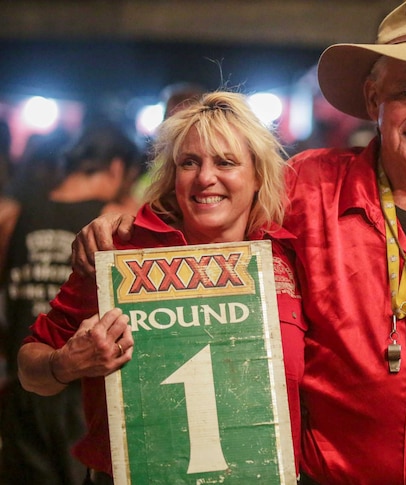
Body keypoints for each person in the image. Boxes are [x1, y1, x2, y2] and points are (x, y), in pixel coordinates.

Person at [71, 1, 406, 483]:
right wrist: (127, 224)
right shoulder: (307, 186)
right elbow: (209, 210)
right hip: (333, 476)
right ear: (373, 98)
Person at [17, 91, 304, 484]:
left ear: (257, 176)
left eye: (226, 162)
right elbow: (29, 368)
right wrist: (66, 363)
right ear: (172, 175)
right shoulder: (122, 252)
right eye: (190, 162)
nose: (205, 177)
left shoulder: (288, 257)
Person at [0, 124, 140, 485]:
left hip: (24, 384)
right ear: (116, 169)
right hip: (83, 393)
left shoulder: (13, 214)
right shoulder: (116, 217)